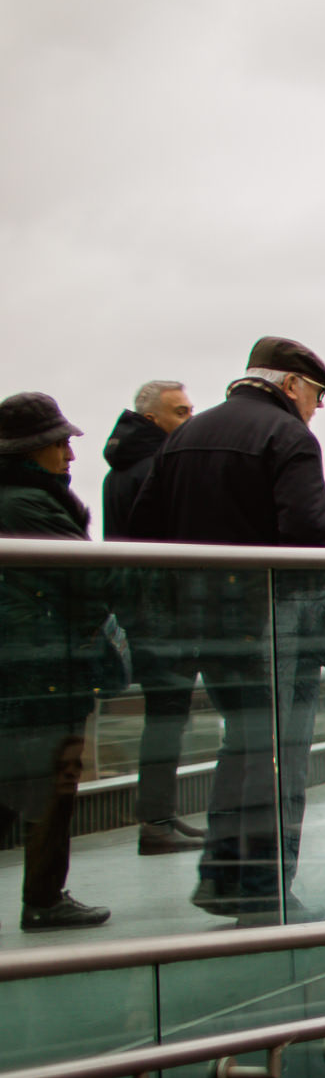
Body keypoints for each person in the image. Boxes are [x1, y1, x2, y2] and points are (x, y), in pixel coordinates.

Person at [125, 336, 325, 924]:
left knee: (243, 746)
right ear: (292, 385)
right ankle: (266, 891)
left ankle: (223, 880)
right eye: (318, 395)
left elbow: (144, 529)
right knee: (282, 757)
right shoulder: (288, 436)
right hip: (275, 624)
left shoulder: (184, 436)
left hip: (206, 625)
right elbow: (309, 535)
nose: (318, 407)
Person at [0, 392, 112, 929]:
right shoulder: (29, 505)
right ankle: (43, 900)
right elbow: (90, 579)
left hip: (24, 667)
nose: (70, 455)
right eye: (61, 444)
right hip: (42, 670)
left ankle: (44, 898)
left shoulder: (22, 500)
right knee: (51, 787)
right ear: (32, 449)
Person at [100, 379, 201, 856]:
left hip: (141, 606)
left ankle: (159, 817)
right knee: (167, 717)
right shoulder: (158, 468)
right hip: (164, 610)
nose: (189, 419)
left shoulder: (121, 469)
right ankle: (156, 822)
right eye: (180, 412)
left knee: (165, 715)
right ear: (151, 418)